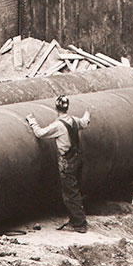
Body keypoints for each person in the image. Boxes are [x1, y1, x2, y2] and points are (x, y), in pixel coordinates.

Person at [25, 94, 91, 232]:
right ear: (67, 108)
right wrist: (87, 112)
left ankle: (79, 225)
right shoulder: (74, 120)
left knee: (70, 194)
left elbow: (40, 133)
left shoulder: (58, 125)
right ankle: (76, 220)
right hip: (78, 159)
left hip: (67, 162)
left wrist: (32, 120)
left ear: (56, 108)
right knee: (75, 191)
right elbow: (85, 122)